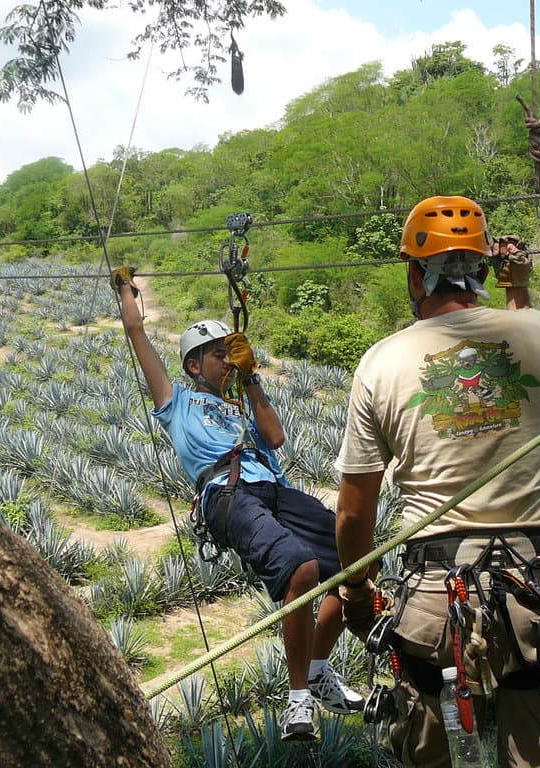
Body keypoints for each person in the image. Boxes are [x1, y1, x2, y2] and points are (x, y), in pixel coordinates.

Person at [334, 196, 540, 767]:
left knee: (432, 749)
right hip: (536, 590)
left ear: (413, 274)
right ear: (482, 271)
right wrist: (517, 283)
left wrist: (354, 594)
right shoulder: (538, 333)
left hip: (436, 596)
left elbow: (355, 512)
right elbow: (518, 323)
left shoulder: (381, 362)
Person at [111, 269, 363, 741]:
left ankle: (319, 668)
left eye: (230, 354)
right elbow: (137, 334)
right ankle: (298, 700)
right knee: (301, 569)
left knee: (355, 563)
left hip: (272, 489)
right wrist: (126, 292)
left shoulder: (242, 405)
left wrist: (250, 378)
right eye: (218, 355)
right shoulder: (177, 402)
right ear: (193, 365)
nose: (227, 361)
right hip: (225, 495)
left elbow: (276, 437)